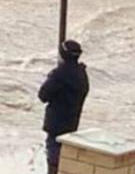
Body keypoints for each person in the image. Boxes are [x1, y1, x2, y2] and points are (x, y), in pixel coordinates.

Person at [38, 40, 89, 174]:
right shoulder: (82, 74)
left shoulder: (59, 74)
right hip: (72, 122)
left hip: (55, 124)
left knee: (53, 157)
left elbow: (43, 95)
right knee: (66, 157)